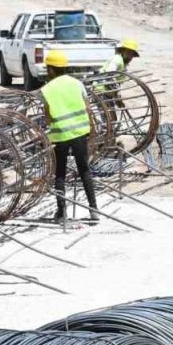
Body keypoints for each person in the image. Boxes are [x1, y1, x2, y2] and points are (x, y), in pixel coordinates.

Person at [40, 50, 99, 224]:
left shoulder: (47, 89)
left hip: (60, 135)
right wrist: (92, 129)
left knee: (59, 174)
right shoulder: (77, 83)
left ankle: (62, 212)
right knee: (84, 170)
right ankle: (93, 210)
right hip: (80, 132)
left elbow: (48, 117)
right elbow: (88, 108)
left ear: (51, 69)